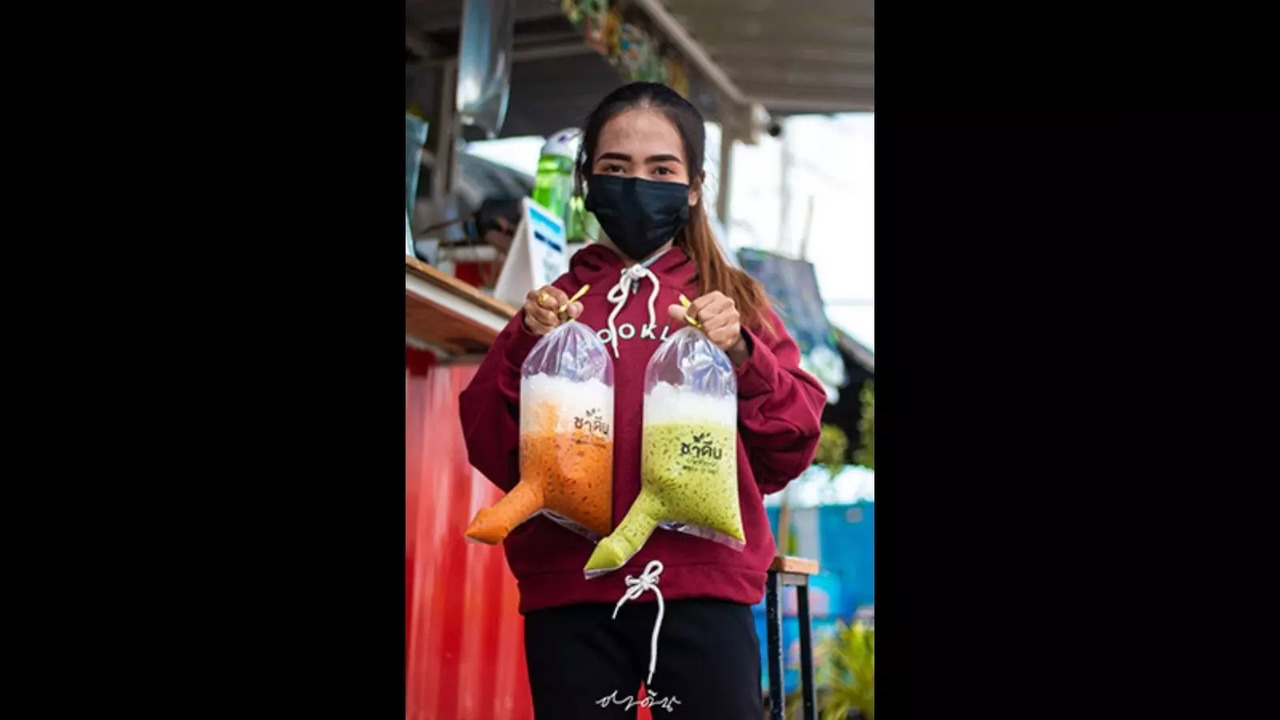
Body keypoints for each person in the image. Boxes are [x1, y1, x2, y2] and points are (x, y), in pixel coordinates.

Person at [459, 82, 826, 719]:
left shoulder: (731, 301)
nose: (637, 184)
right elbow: (490, 443)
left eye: (661, 169)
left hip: (704, 592)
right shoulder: (555, 305)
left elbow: (792, 443)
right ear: (587, 183)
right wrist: (523, 340)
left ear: (692, 186)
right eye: (615, 168)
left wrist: (743, 351)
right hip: (571, 596)